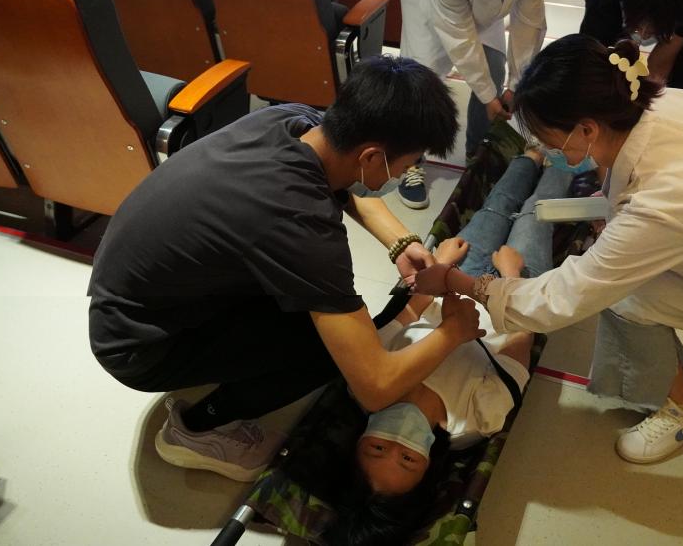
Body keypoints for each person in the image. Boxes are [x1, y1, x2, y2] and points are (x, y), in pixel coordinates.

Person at [412, 34, 683, 464]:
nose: (546, 149)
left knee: (626, 298)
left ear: (587, 129)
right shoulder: (663, 103)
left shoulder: (666, 202)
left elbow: (565, 295)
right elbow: (638, 194)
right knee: (543, 222)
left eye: (549, 141)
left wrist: (460, 280)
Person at [87, 57, 485, 483]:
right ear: (372, 156)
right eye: (407, 164)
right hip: (138, 346)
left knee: (322, 315)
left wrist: (401, 243)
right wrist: (453, 332)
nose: (406, 173)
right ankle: (197, 429)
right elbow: (374, 386)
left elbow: (344, 183)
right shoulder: (299, 223)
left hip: (140, 295)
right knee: (330, 350)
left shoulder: (293, 121)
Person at [326, 149, 571, 545]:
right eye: (408, 458)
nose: (398, 441)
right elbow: (520, 343)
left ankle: (529, 155)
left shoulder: (368, 379)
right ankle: (562, 161)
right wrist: (511, 277)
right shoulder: (476, 421)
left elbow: (408, 314)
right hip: (513, 298)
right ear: (428, 468)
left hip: (454, 278)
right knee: (536, 215)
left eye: (378, 448)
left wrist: (440, 266)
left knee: (495, 208)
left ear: (357, 443)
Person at [396, 0, 551, 209]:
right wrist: (487, 95)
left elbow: (529, 19)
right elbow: (457, 31)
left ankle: (477, 155)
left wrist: (516, 84)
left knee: (492, 66)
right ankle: (408, 158)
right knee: (421, 75)